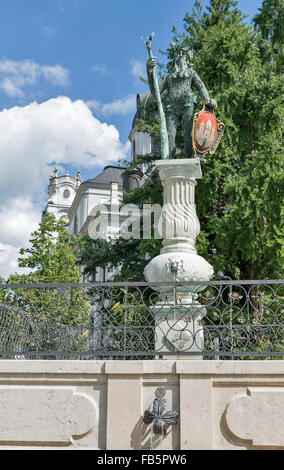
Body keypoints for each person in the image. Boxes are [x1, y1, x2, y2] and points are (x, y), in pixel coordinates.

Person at [147, 41, 217, 158]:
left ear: (187, 57)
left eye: (182, 54)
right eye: (177, 54)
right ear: (173, 58)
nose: (180, 56)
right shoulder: (168, 77)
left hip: (188, 104)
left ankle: (191, 158)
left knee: (189, 135)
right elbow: (156, 92)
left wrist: (208, 100)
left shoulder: (191, 73)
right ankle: (169, 160)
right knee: (169, 136)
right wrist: (149, 71)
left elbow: (200, 86)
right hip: (170, 106)